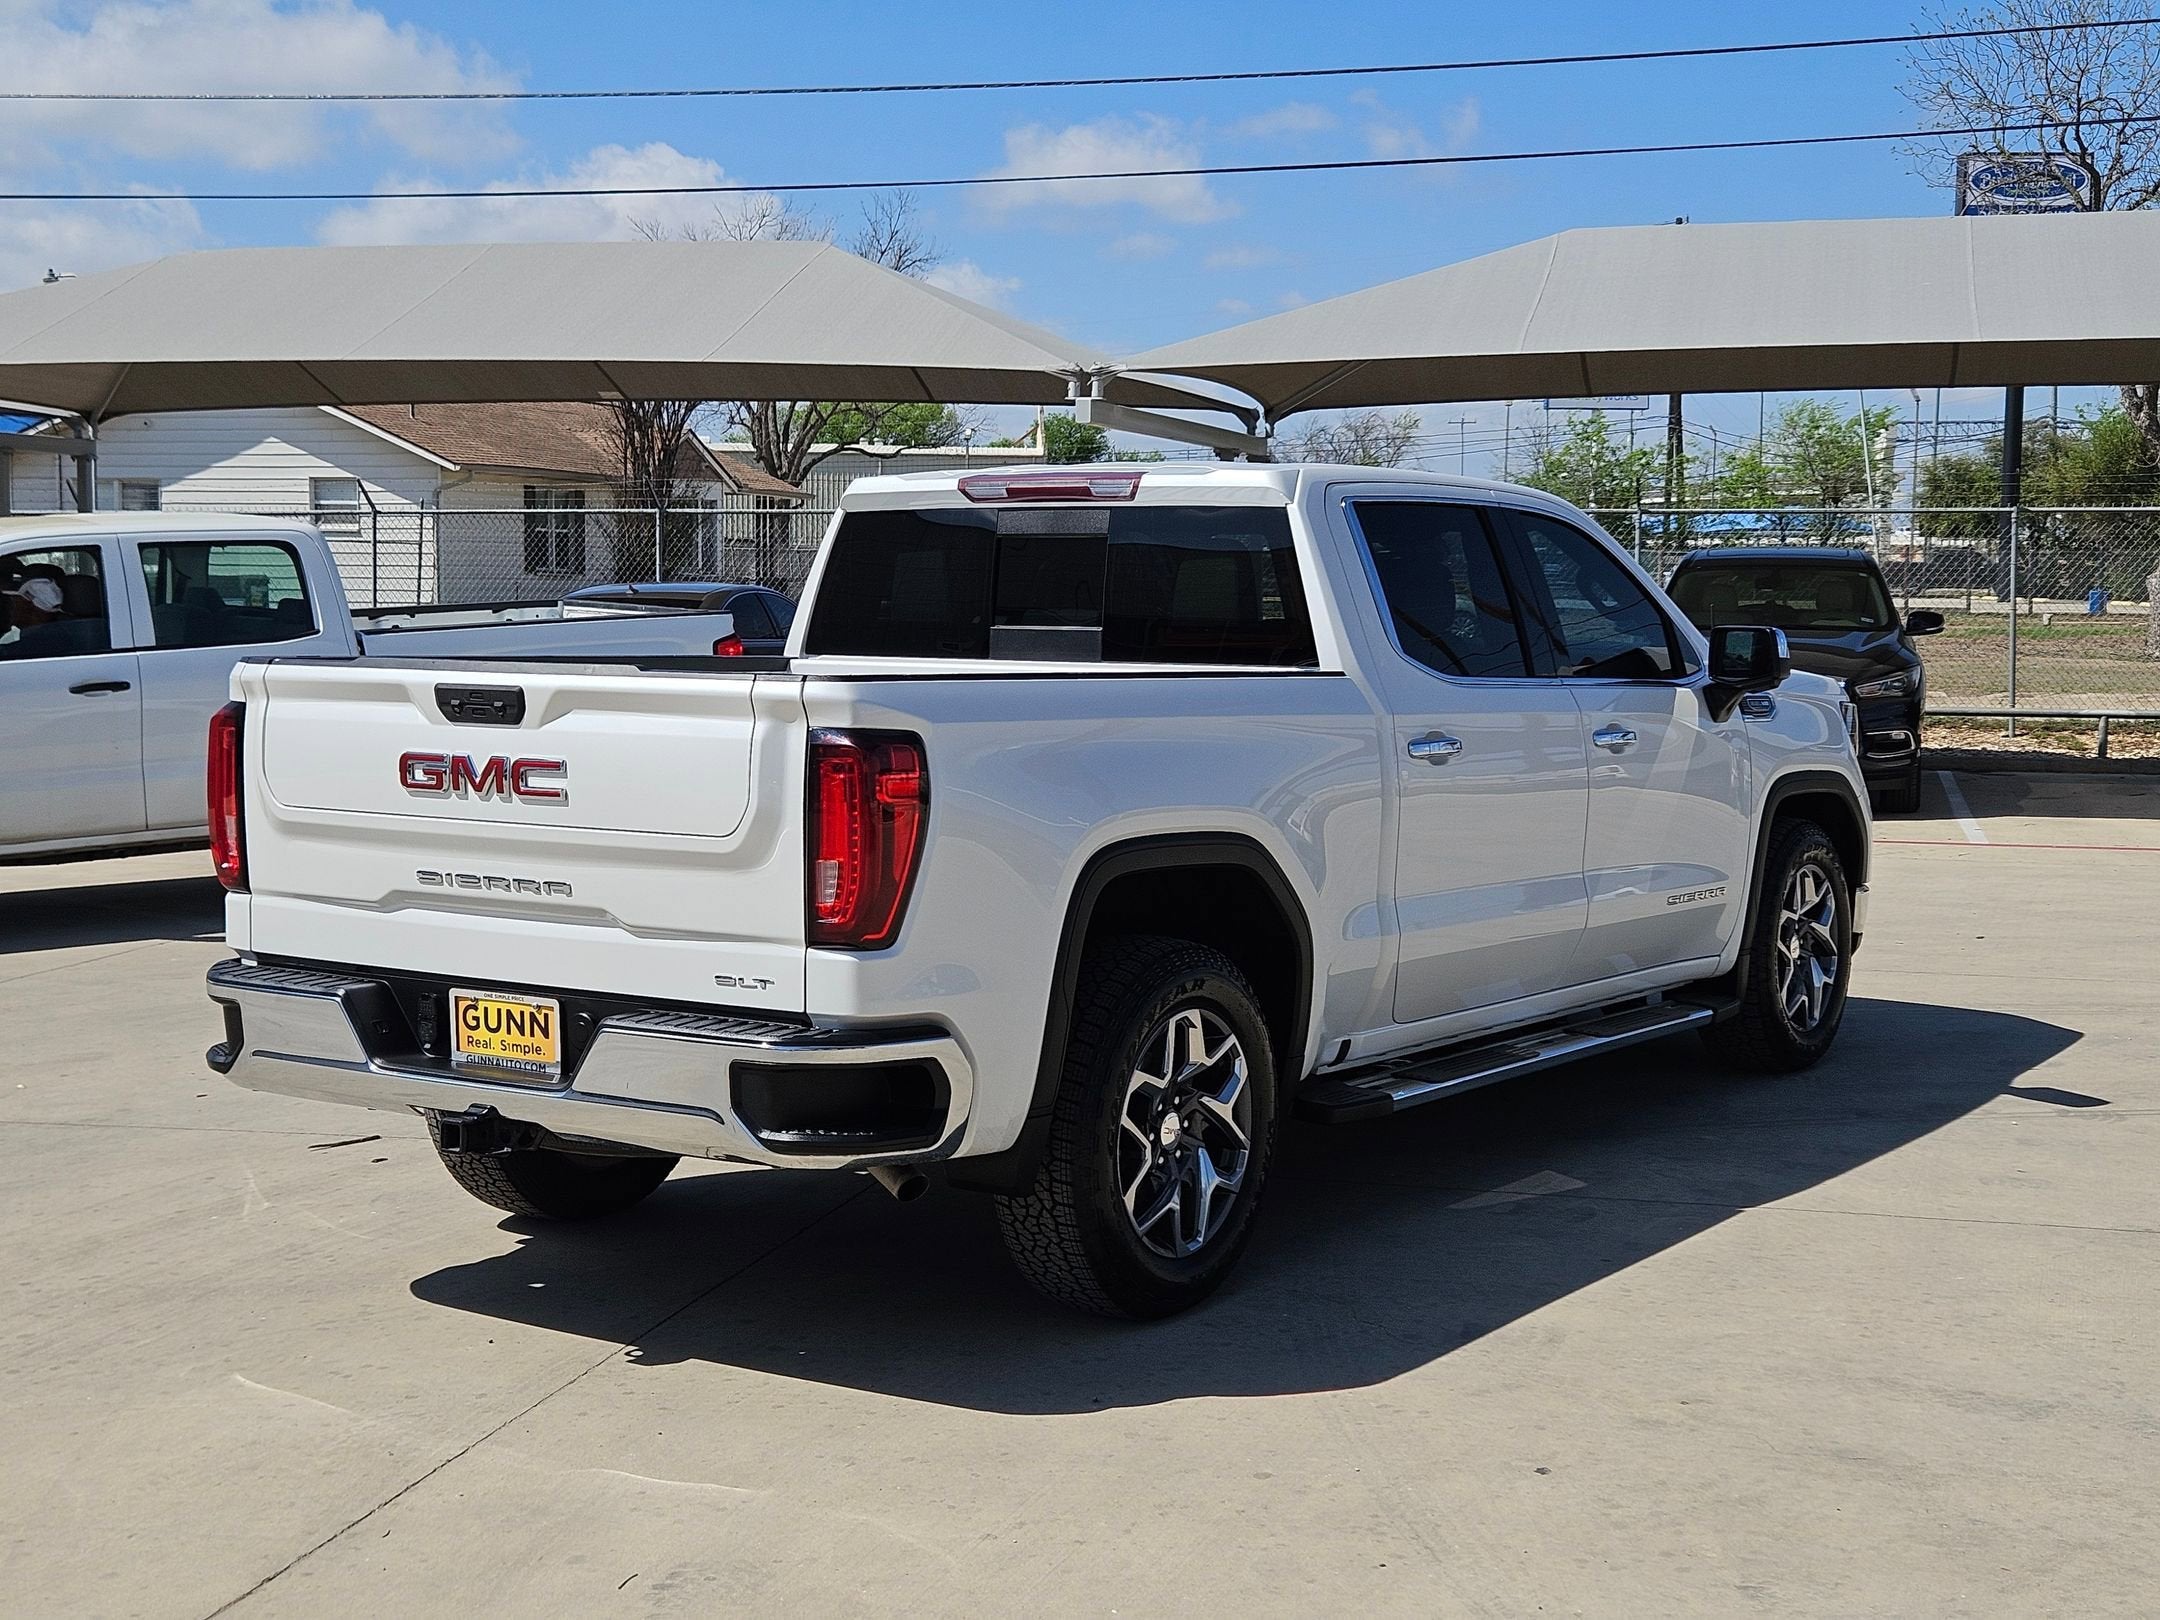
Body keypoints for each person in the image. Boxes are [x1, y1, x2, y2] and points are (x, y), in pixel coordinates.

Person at [0, 576, 65, 649]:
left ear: (29, 607)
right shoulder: (68, 631)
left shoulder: (32, 646)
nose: (10, 606)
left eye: (16, 600)